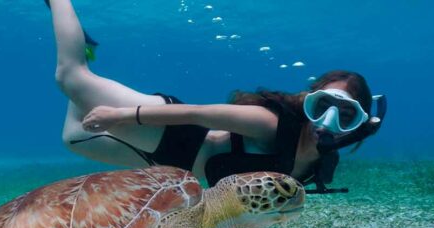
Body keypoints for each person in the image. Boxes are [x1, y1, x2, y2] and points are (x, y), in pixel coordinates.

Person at [47, 0, 387, 193]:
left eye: (345, 115)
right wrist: (120, 116)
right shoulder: (269, 123)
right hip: (175, 132)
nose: (327, 122)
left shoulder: (323, 164)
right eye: (322, 106)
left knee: (74, 138)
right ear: (308, 102)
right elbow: (198, 113)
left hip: (172, 167)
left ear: (357, 124)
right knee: (71, 78)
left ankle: (86, 46)